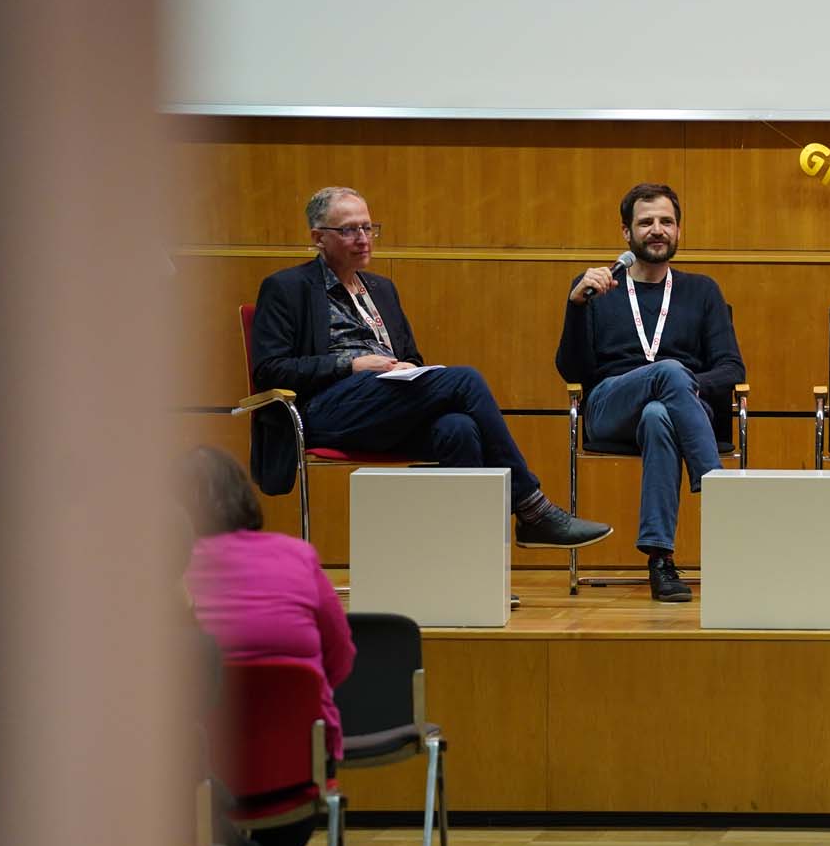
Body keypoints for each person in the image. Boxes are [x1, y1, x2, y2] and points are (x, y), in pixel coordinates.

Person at [249, 185, 609, 549]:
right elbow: (270, 369)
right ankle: (532, 509)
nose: (363, 239)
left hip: (384, 406)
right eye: (349, 230)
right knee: (465, 380)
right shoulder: (287, 287)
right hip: (326, 411)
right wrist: (351, 364)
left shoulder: (380, 289)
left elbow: (412, 357)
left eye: (368, 228)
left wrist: (406, 366)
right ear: (318, 238)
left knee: (460, 428)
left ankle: (474, 574)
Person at [180, 445, 354, 846]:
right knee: (302, 785)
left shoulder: (162, 576)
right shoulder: (297, 557)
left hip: (198, 779)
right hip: (294, 772)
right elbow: (339, 659)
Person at [556, 183, 746, 601]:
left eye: (666, 221)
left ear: (679, 230)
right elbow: (571, 371)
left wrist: (682, 384)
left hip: (677, 409)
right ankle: (715, 485)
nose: (657, 230)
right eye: (646, 222)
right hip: (610, 406)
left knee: (660, 414)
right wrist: (576, 305)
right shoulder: (598, 287)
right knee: (669, 374)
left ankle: (660, 560)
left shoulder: (702, 290)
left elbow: (732, 368)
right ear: (626, 233)